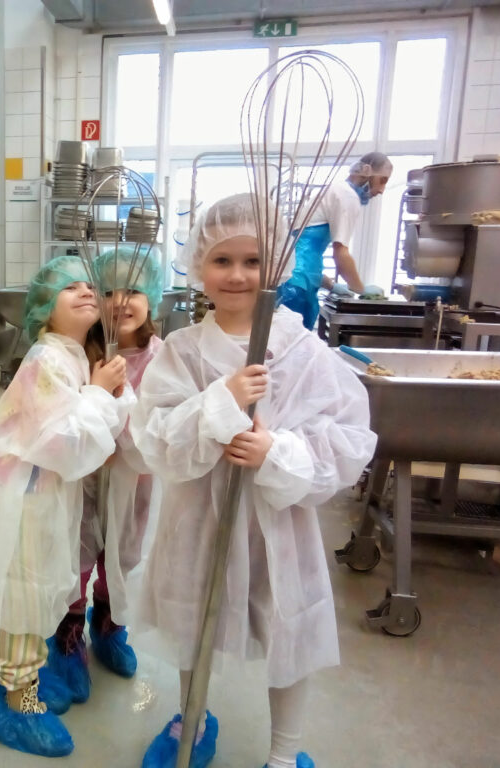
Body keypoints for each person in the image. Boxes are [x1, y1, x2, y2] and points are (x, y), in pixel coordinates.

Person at [131, 194, 377, 768]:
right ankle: (191, 720)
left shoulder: (304, 351)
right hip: (199, 516)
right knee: (194, 621)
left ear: (279, 265)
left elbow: (347, 437)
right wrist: (221, 401)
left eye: (253, 260)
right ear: (198, 266)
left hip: (277, 524)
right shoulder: (184, 351)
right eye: (222, 260)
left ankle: (284, 753)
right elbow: (155, 435)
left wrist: (277, 452)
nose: (238, 275)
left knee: (287, 630)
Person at [0, 255, 132, 758]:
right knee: (24, 594)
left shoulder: (74, 356)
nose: (85, 291)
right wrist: (101, 394)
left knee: (40, 588)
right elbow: (62, 442)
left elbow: (92, 434)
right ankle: (18, 697)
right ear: (44, 308)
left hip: (44, 492)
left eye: (89, 285)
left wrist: (109, 394)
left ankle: (26, 674)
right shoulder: (46, 359)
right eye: (69, 288)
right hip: (24, 497)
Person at [45, 247, 164, 704]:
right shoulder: (81, 351)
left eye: (133, 290)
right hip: (81, 478)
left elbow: (161, 425)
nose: (120, 301)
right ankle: (69, 636)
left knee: (123, 553)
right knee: (76, 552)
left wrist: (123, 437)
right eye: (107, 291)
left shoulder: (161, 357)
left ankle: (109, 626)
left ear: (152, 297)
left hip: (134, 480)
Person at [278, 151, 393, 330]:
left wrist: (331, 285)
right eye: (383, 180)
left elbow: (303, 254)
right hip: (299, 288)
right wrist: (361, 290)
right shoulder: (348, 196)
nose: (381, 190)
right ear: (367, 172)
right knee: (293, 342)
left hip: (292, 283)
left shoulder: (335, 190)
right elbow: (340, 253)